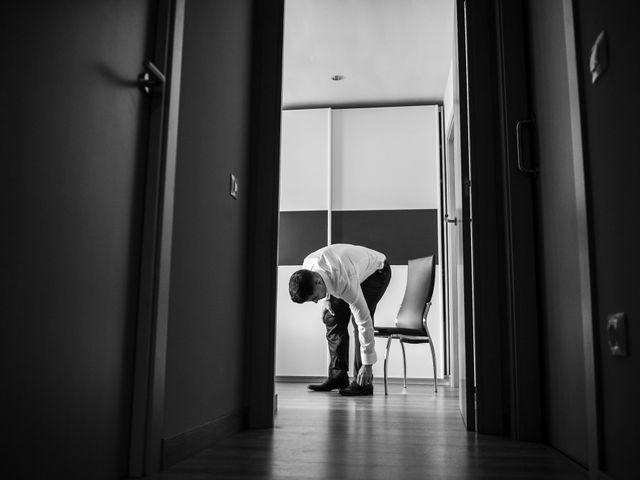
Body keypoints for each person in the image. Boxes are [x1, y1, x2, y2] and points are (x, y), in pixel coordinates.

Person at [289, 243, 391, 396]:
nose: (316, 302)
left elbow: (364, 322)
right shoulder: (308, 266)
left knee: (358, 321)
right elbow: (325, 278)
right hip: (345, 269)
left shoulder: (345, 280)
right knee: (332, 317)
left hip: (376, 271)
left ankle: (363, 382)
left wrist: (368, 364)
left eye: (315, 298)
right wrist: (327, 299)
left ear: (317, 282)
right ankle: (338, 376)